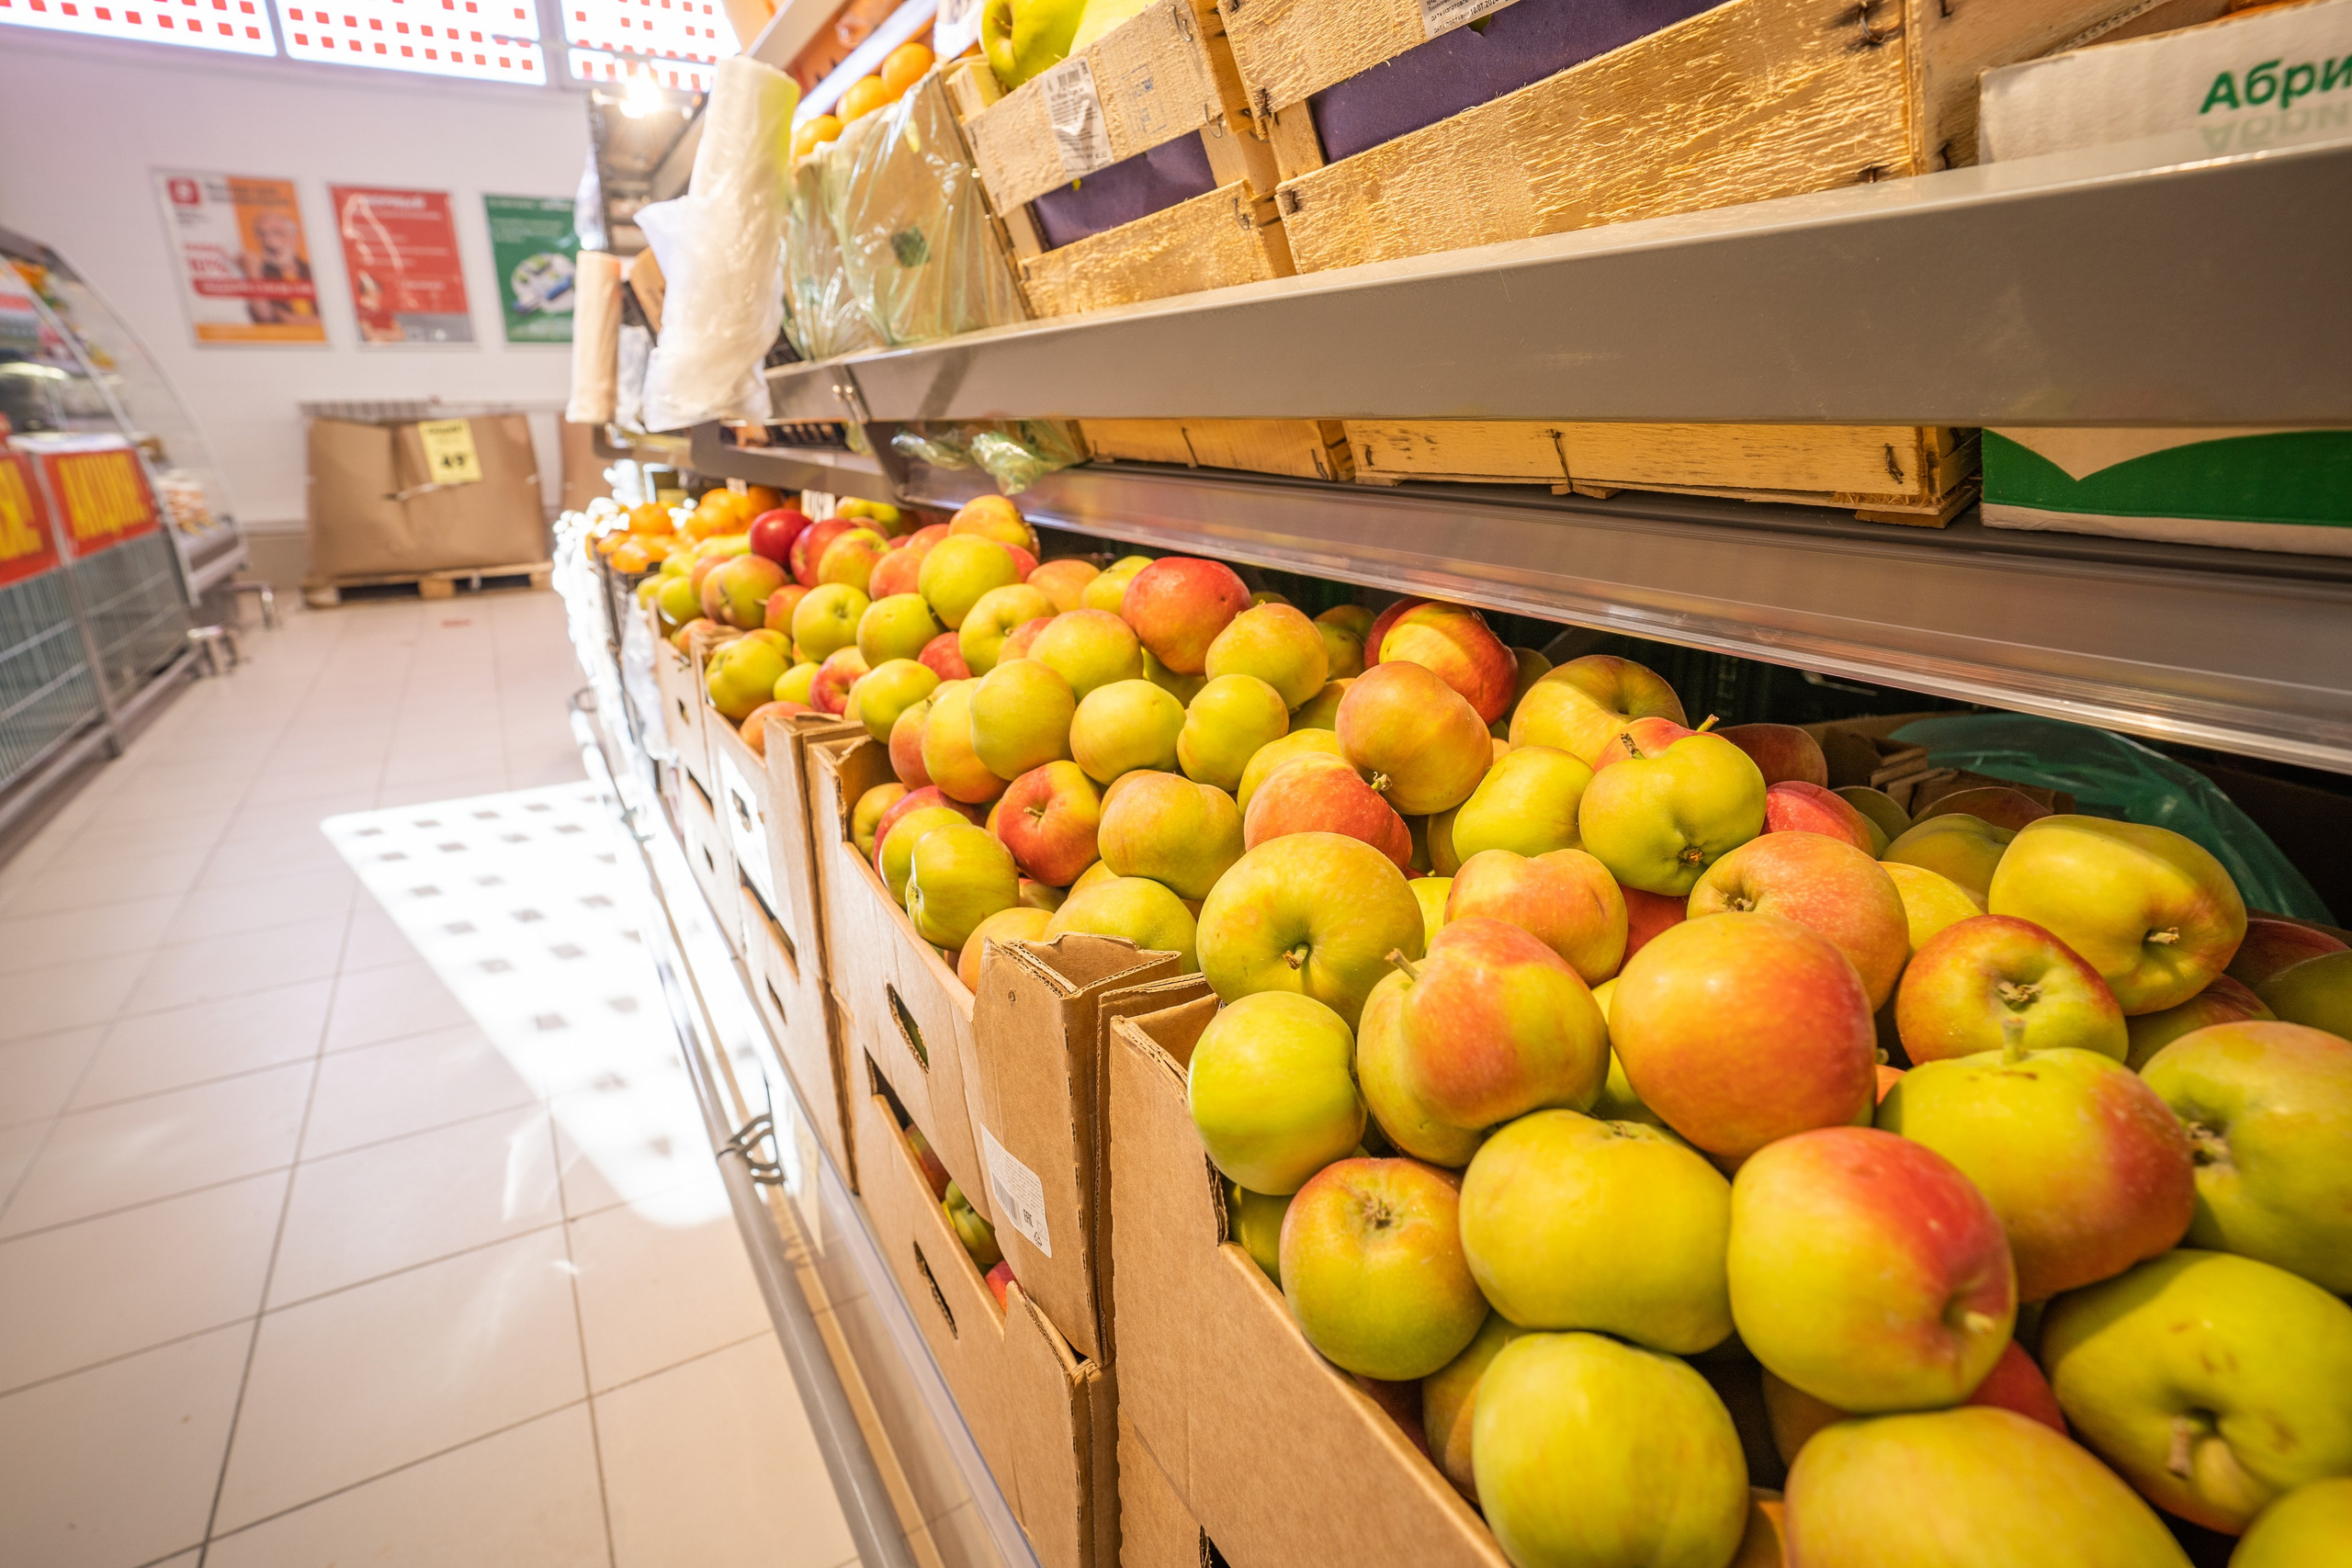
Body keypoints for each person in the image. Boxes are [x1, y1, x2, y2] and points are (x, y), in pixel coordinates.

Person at [241, 209, 316, 325]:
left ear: (294, 236)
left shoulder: (312, 272)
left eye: (278, 233)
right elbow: (267, 318)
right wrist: (253, 273)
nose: (270, 242)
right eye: (262, 235)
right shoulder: (259, 275)